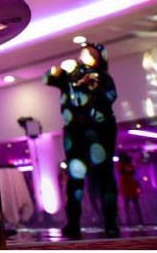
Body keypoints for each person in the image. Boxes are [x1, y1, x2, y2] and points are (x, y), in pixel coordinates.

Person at [44, 42, 119, 239]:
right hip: (75, 131)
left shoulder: (103, 78)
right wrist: (59, 70)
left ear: (100, 59)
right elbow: (47, 78)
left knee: (104, 177)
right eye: (84, 53)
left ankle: (111, 223)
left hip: (100, 130)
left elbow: (111, 97)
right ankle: (73, 223)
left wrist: (94, 85)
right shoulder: (70, 77)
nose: (86, 56)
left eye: (92, 54)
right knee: (75, 178)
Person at [116, 153, 143, 226]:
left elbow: (133, 172)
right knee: (126, 204)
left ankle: (140, 220)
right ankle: (128, 221)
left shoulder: (130, 165)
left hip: (131, 184)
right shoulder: (120, 165)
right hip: (125, 184)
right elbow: (121, 171)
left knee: (136, 204)